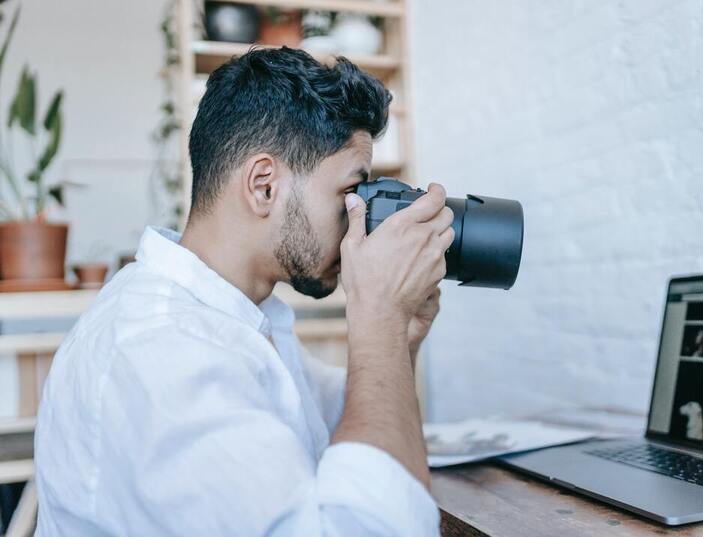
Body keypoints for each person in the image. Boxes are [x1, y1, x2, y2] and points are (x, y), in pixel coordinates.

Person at [34, 47, 454, 536]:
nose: (357, 222)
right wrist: (378, 316)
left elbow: (339, 424)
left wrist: (398, 338)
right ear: (263, 186)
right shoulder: (160, 350)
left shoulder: (238, 316)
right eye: (349, 194)